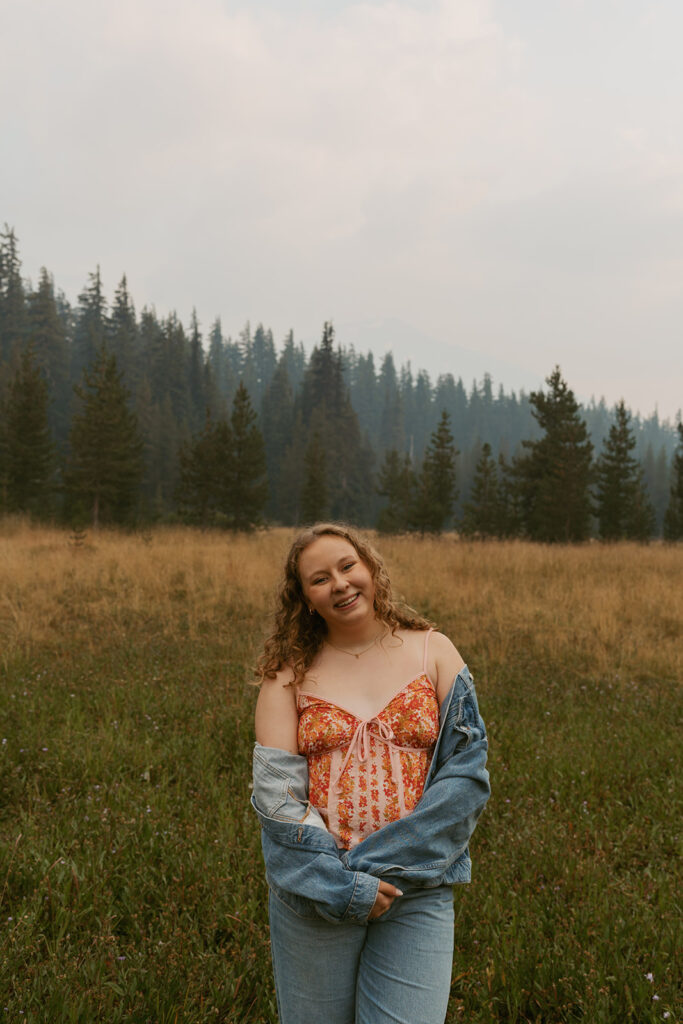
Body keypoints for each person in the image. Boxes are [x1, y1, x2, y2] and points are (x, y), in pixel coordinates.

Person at [252, 523, 490, 1024]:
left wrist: (378, 868)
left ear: (371, 569)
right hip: (317, 893)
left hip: (416, 890)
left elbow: (466, 777)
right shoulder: (288, 674)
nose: (338, 584)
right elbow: (277, 796)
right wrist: (342, 886)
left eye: (347, 566)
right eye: (319, 579)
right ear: (305, 599)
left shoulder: (433, 650)